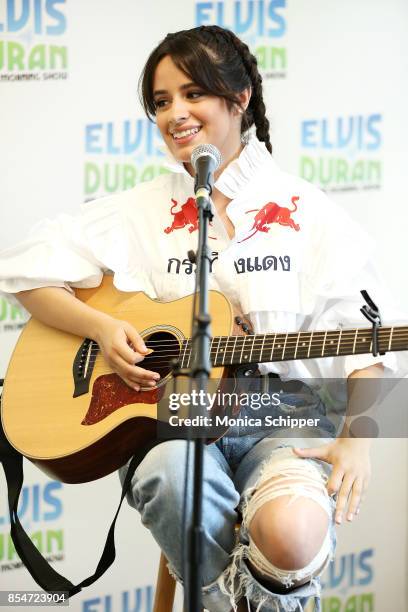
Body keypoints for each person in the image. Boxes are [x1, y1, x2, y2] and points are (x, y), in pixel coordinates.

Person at [0, 25, 396, 612]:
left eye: (193, 94)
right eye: (161, 102)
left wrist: (357, 441)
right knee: (171, 480)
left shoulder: (306, 210)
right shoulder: (139, 208)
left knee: (291, 533)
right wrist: (104, 330)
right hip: (171, 425)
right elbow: (25, 274)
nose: (174, 114)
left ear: (239, 100)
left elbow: (372, 337)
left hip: (281, 421)